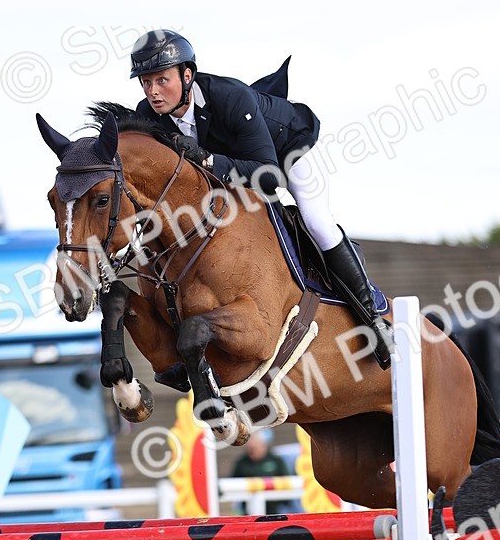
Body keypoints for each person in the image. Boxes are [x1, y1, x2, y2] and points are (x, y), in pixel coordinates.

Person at [128, 29, 394, 368]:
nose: (153, 92)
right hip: (229, 173)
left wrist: (209, 160)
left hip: (284, 153)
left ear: (187, 75)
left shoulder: (230, 97)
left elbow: (268, 178)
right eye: (146, 83)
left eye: (161, 80)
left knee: (317, 222)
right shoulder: (149, 115)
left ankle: (373, 319)